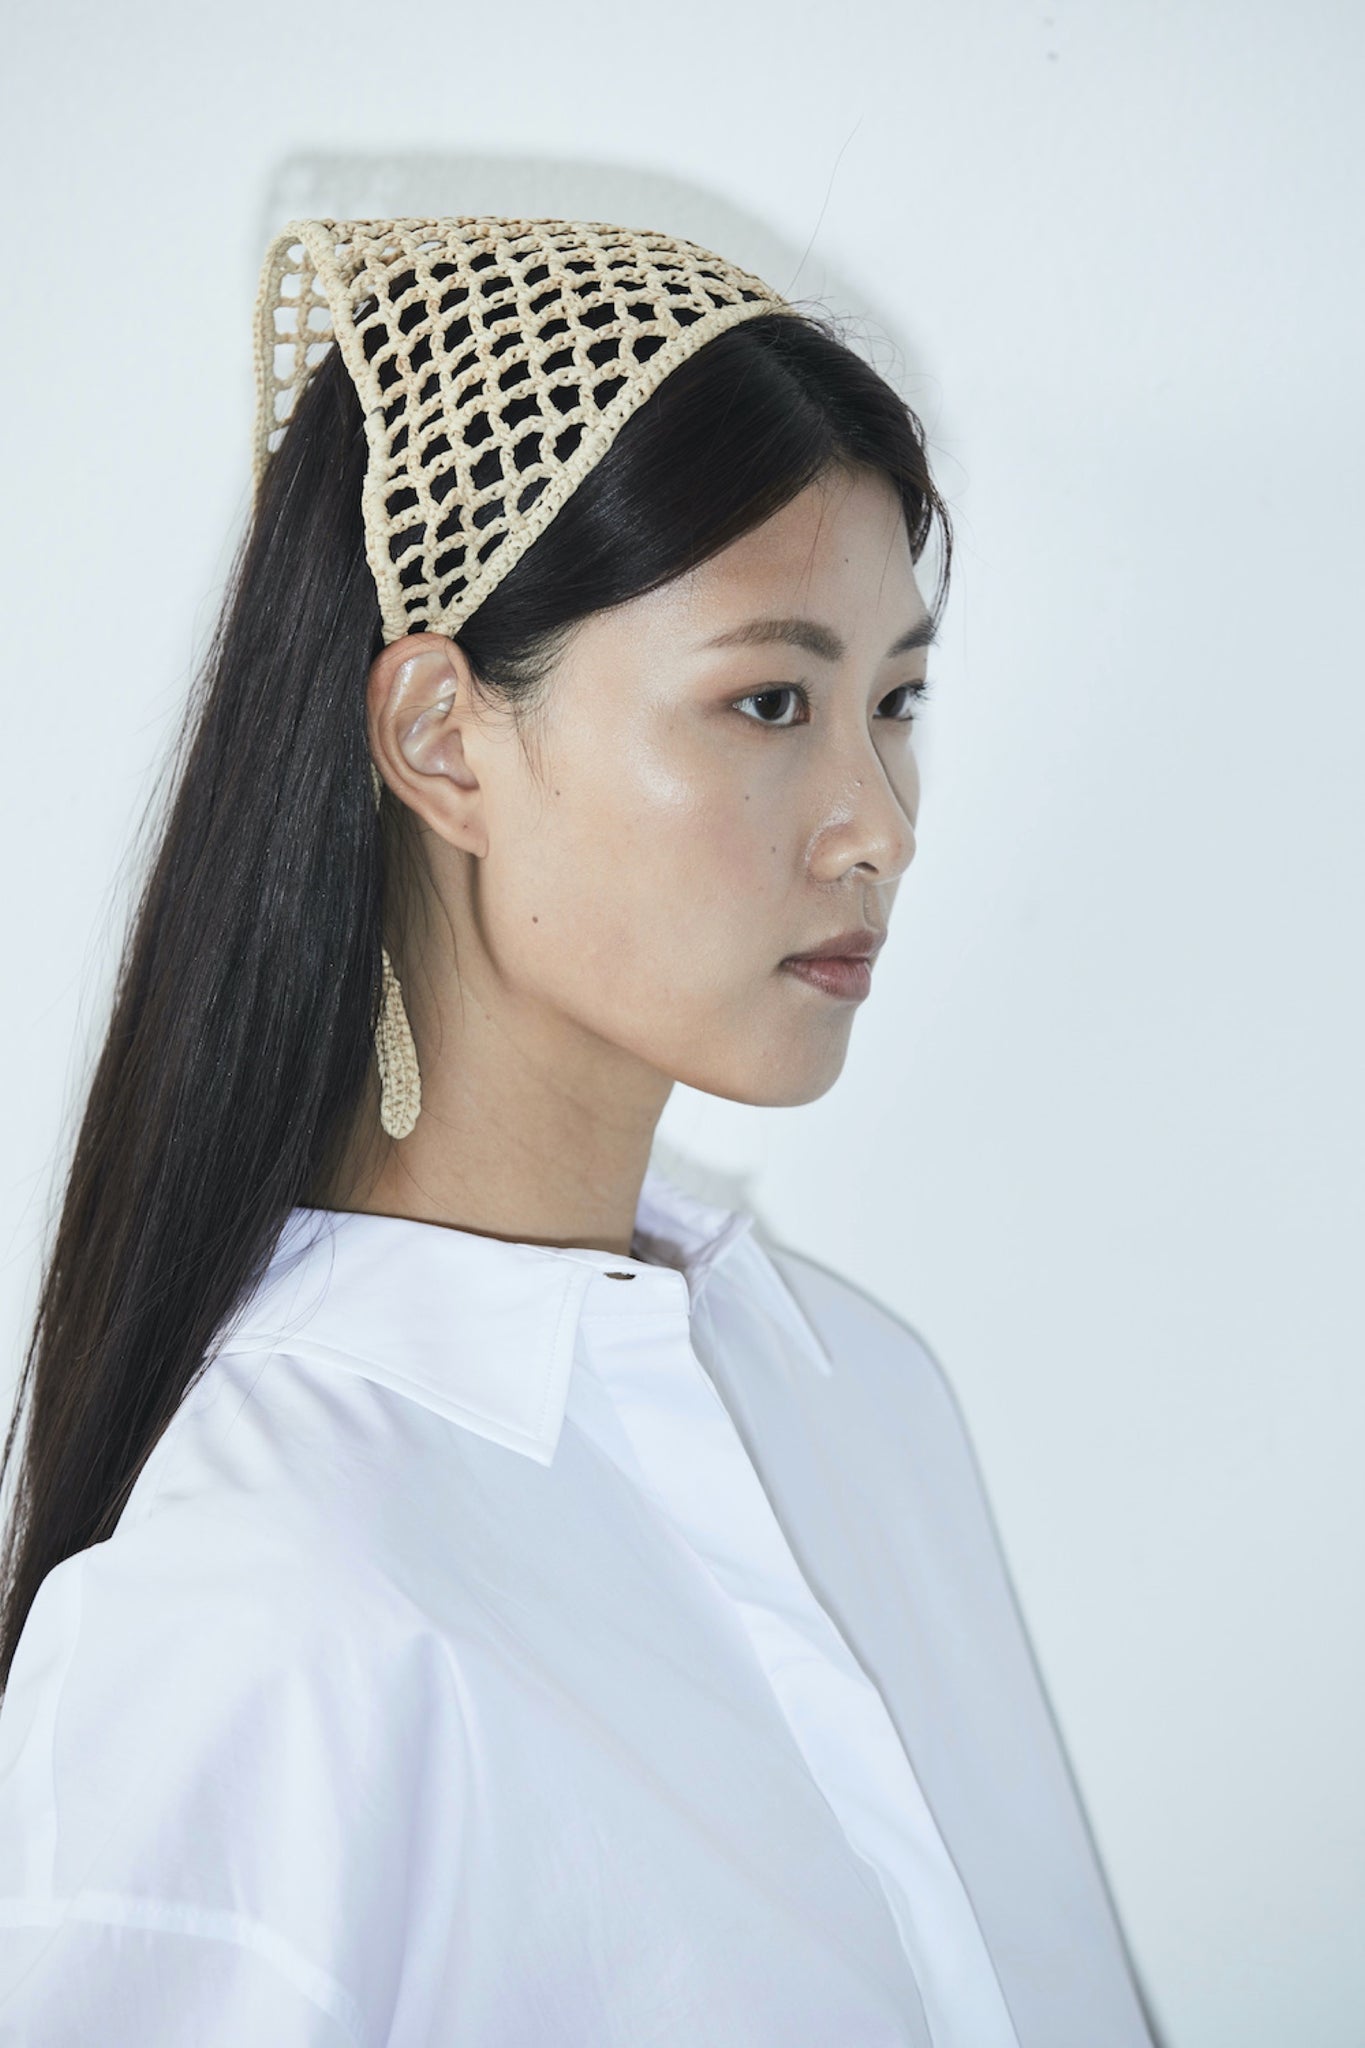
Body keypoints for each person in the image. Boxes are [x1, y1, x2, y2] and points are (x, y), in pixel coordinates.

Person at [0, 217, 1159, 2046]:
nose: (878, 821)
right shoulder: (260, 1615)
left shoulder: (859, 1397)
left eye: (895, 701)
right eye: (767, 701)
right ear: (440, 737)